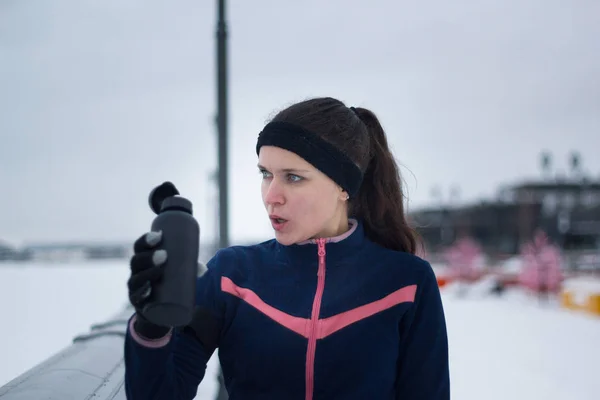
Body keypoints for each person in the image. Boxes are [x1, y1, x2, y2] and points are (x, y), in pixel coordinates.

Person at [123, 97, 450, 400]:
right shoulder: (231, 277)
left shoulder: (406, 282)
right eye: (266, 174)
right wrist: (151, 327)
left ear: (343, 186)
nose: (271, 195)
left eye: (293, 178)